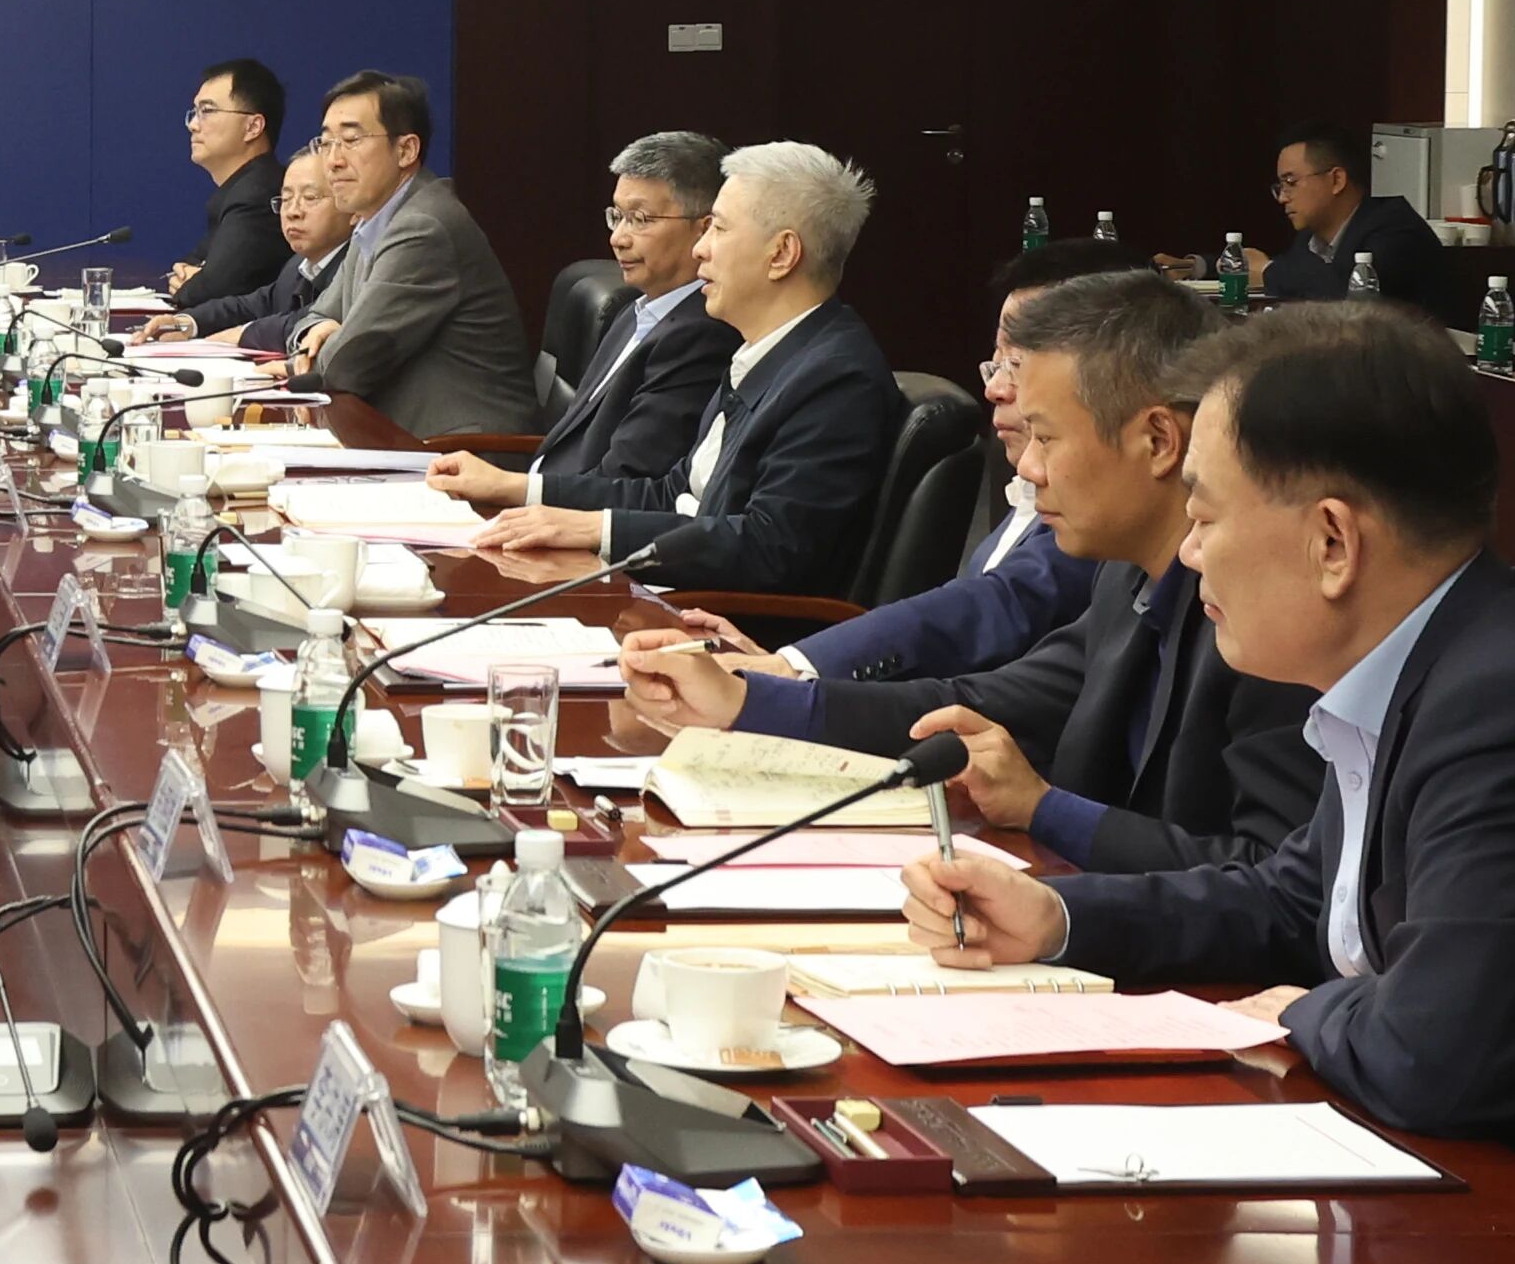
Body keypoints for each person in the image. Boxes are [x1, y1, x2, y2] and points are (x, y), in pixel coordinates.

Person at [897, 306, 1515, 1239]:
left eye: (1203, 515)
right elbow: (1295, 900)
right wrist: (1058, 917)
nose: (1190, 552)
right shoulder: (1422, 659)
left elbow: (1431, 1057)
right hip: (1452, 1207)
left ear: (1332, 541)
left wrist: (1305, 1012)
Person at [621, 273, 1320, 874]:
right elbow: (982, 700)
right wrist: (748, 701)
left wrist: (1045, 811)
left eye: (1046, 437)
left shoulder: (1273, 619)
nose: (1027, 467)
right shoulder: (1127, 579)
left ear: (1158, 439)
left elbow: (1278, 886)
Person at [633, 237, 1140, 714]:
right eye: (996, 363)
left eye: (1018, 364)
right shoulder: (1035, 488)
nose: (996, 390)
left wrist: (795, 672)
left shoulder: (1102, 522)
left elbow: (998, 615)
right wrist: (789, 666)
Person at [471, 139, 901, 595]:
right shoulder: (768, 350)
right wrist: (551, 510)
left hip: (724, 622)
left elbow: (770, 547)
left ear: (781, 255)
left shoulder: (834, 378)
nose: (701, 250)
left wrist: (599, 531)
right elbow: (673, 491)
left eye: (719, 229)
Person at [427, 131, 735, 504]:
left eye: (639, 219)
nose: (618, 238)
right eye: (616, 217)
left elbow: (626, 479)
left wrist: (509, 488)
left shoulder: (701, 335)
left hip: (569, 522)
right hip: (538, 502)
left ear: (705, 229)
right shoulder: (633, 311)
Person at [284, 71, 537, 439]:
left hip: (462, 446)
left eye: (351, 140)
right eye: (326, 143)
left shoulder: (423, 227)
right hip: (399, 434)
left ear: (405, 150)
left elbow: (345, 366)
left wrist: (322, 350)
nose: (333, 161)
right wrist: (315, 336)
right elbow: (316, 315)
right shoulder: (373, 218)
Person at [1163, 120, 1446, 311]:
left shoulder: (1395, 230)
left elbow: (1346, 296)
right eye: (1280, 186)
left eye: (1291, 182)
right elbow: (1291, 272)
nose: (1283, 197)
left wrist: (1268, 271)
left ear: (1336, 180)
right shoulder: (1311, 237)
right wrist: (1196, 267)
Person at [155, 147, 339, 347]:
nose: (292, 212)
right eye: (286, 199)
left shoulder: (354, 268)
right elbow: (252, 306)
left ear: (350, 207)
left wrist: (244, 333)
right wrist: (187, 323)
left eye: (310, 197)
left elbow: (310, 319)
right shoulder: (297, 265)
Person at [162, 58, 288, 308]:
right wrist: (193, 278)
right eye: (194, 112)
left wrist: (194, 283)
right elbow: (187, 268)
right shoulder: (240, 188)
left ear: (253, 127)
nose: (193, 125)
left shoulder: (259, 193)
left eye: (207, 111)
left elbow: (210, 291)